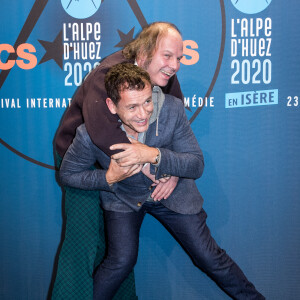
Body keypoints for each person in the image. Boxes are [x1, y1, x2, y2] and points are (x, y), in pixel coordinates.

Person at [59, 63, 265, 300]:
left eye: (147, 101)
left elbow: (196, 164)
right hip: (123, 199)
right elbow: (68, 175)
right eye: (132, 106)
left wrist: (153, 155)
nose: (144, 113)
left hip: (175, 194)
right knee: (121, 261)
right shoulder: (88, 133)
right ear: (112, 106)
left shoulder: (173, 109)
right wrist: (108, 177)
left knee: (209, 257)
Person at [52, 22, 184, 299]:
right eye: (168, 56)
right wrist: (149, 164)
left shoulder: (162, 74)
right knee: (84, 241)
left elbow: (176, 123)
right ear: (146, 52)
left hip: (126, 160)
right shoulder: (107, 73)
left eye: (179, 58)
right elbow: (101, 131)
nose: (174, 65)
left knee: (118, 251)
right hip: (82, 159)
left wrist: (172, 168)